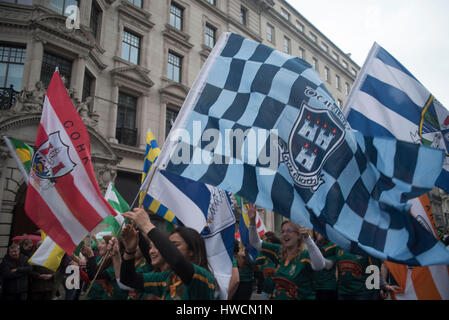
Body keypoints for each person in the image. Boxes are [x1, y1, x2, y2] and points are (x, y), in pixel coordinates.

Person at [120, 206, 216, 300]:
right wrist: (129, 250)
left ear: (191, 251)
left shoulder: (203, 277)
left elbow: (177, 261)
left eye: (175, 245)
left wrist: (146, 225)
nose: (168, 249)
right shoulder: (169, 277)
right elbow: (128, 279)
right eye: (169, 245)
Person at [248, 203, 327, 300]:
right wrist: (252, 221)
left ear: (298, 235)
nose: (285, 234)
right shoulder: (279, 251)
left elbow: (320, 265)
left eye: (289, 231)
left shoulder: (305, 254)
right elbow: (255, 242)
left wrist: (308, 239)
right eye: (283, 231)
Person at [255, 231, 281, 299]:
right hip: (265, 289)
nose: (264, 243)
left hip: (276, 291)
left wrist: (274, 291)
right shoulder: (265, 256)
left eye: (265, 241)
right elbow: (255, 262)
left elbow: (279, 275)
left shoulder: (278, 256)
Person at [312, 231, 338, 300]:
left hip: (327, 286)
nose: (318, 232)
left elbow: (327, 265)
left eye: (319, 229)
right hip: (314, 287)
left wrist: (317, 242)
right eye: (315, 229)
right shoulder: (312, 244)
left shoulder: (333, 245)